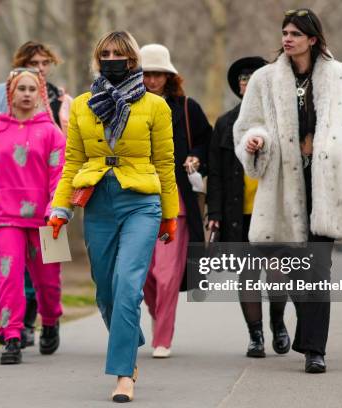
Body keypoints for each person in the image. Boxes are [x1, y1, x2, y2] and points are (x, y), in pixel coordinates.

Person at [233, 8, 342, 373]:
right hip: (281, 191)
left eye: (295, 33)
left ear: (313, 39)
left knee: (317, 271)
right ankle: (304, 333)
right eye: (284, 32)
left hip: (325, 190)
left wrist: (335, 150)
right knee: (291, 269)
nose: (287, 38)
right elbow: (248, 125)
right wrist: (256, 142)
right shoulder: (264, 80)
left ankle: (315, 350)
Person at [49, 31, 178, 402]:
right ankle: (129, 339)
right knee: (105, 290)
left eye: (118, 53)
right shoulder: (83, 105)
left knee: (127, 286)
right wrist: (61, 207)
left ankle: (124, 374)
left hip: (141, 202)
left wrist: (169, 213)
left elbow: (165, 163)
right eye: (104, 53)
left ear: (132, 60)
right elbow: (72, 161)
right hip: (98, 202)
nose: (111, 58)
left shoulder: (155, 106)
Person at [0, 68, 66, 364]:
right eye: (22, 89)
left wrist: (55, 211)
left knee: (48, 283)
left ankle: (51, 321)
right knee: (10, 278)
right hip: (5, 216)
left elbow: (60, 177)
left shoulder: (52, 132)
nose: (27, 94)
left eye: (33, 89)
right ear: (11, 93)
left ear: (41, 94)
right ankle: (12, 336)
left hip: (48, 219)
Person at [207, 56, 290, 358]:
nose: (247, 83)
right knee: (248, 275)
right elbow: (215, 173)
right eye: (242, 79)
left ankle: (278, 323)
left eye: (252, 78)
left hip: (274, 210)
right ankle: (255, 335)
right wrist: (213, 214)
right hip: (237, 213)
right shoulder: (226, 123)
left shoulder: (281, 118)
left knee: (278, 271)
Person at [139, 43, 212, 359]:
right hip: (137, 200)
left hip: (176, 203)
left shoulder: (186, 108)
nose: (152, 80)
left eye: (158, 74)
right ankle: (160, 317)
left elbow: (207, 144)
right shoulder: (128, 107)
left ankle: (163, 337)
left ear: (169, 77)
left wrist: (196, 159)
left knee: (167, 275)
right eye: (146, 74)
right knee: (142, 275)